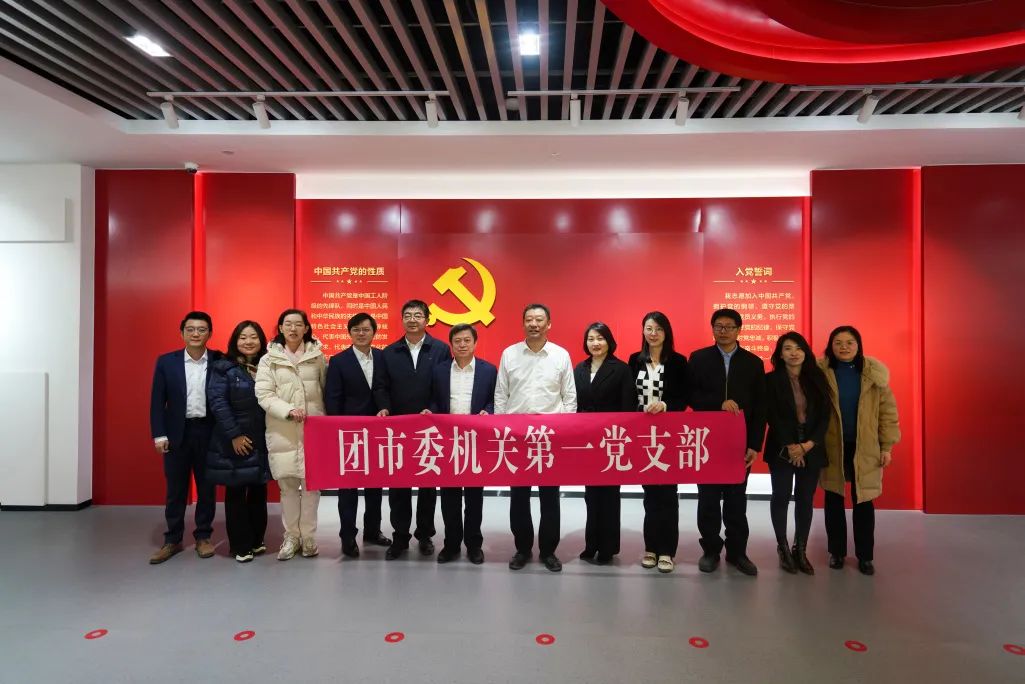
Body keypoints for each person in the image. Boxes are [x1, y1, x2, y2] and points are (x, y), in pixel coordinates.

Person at [495, 303, 577, 572]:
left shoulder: (560, 355)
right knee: (518, 497)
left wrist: (563, 431)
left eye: (539, 319)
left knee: (550, 497)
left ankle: (549, 551)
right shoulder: (509, 354)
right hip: (517, 437)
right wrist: (502, 430)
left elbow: (569, 397)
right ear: (523, 324)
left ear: (549, 324)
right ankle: (522, 549)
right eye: (529, 319)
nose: (534, 324)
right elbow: (501, 395)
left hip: (549, 437)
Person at [689, 308, 767, 576]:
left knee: (736, 500)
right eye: (718, 326)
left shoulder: (753, 363)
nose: (723, 331)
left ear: (738, 330)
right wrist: (717, 403)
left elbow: (760, 408)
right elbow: (691, 396)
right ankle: (711, 550)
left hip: (739, 443)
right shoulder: (698, 358)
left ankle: (737, 552)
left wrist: (754, 445)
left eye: (729, 327)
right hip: (706, 442)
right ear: (712, 328)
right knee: (708, 500)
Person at [373, 299, 452, 560]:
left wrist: (432, 409)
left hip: (430, 427)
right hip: (398, 427)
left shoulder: (440, 349)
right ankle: (400, 537)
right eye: (407, 315)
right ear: (402, 319)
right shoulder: (389, 352)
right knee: (399, 485)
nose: (412, 319)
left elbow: (444, 385)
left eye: (418, 315)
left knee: (428, 485)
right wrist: (384, 408)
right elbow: (380, 386)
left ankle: (425, 535)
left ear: (427, 320)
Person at [819, 326, 900, 576]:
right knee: (833, 498)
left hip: (865, 446)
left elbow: (888, 413)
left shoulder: (873, 375)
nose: (844, 347)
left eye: (850, 342)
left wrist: (886, 446)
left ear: (858, 345)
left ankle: (865, 556)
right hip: (832, 445)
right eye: (838, 342)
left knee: (863, 500)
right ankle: (837, 552)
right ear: (831, 346)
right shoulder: (821, 373)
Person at [148, 311, 221, 564]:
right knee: (176, 489)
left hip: (209, 433)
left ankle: (203, 536)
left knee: (207, 488)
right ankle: (172, 539)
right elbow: (157, 402)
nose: (196, 334)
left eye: (201, 329)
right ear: (182, 333)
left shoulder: (220, 360)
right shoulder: (166, 362)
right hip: (177, 434)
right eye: (190, 329)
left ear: (210, 333)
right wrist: (159, 435)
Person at [255, 309, 327, 561]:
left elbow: (326, 391)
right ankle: (291, 537)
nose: (293, 329)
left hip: (313, 430)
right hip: (282, 429)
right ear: (280, 328)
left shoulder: (317, 356)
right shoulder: (269, 359)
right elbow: (264, 394)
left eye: (298, 324)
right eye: (288, 324)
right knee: (287, 487)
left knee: (311, 487)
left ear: (306, 328)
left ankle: (308, 537)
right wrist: (287, 411)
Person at [426, 323, 497, 565]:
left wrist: (489, 411)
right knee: (449, 497)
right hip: (448, 440)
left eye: (467, 340)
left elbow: (494, 399)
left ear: (475, 343)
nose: (462, 345)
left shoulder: (489, 370)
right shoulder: (439, 370)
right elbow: (435, 401)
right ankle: (451, 545)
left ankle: (474, 545)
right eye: (457, 341)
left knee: (475, 497)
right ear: (451, 345)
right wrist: (431, 411)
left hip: (476, 440)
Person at [324, 313, 392, 558]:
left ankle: (372, 530)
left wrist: (385, 407)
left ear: (374, 332)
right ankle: (348, 536)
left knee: (375, 485)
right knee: (348, 488)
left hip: (378, 432)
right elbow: (332, 399)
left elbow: (386, 388)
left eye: (366, 329)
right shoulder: (338, 361)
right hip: (349, 434)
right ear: (349, 333)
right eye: (356, 330)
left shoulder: (383, 357)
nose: (361, 333)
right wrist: (337, 430)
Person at [627, 311, 690, 573]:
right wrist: (638, 412)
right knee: (650, 495)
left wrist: (665, 405)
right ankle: (650, 548)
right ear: (643, 331)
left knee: (668, 494)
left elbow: (684, 396)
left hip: (668, 434)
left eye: (659, 329)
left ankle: (667, 550)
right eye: (649, 328)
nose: (653, 334)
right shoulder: (635, 360)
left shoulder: (678, 361)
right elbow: (629, 395)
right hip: (643, 435)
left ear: (667, 333)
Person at [764, 332, 831, 575]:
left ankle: (800, 548)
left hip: (811, 446)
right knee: (781, 495)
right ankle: (783, 547)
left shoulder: (817, 378)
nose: (794, 353)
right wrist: (792, 445)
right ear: (780, 354)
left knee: (805, 498)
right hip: (782, 447)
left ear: (806, 352)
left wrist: (808, 444)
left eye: (798, 348)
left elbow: (825, 415)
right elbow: (771, 415)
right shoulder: (771, 380)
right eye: (788, 348)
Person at [206, 321, 272, 563]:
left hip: (262, 437)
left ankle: (256, 540)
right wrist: (234, 434)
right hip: (235, 439)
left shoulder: (268, 365)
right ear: (235, 341)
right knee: (236, 491)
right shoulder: (223, 367)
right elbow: (218, 403)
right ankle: (240, 545)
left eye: (253, 337)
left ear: (261, 340)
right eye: (243, 337)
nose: (248, 341)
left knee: (258, 490)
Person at [574, 322, 635, 566]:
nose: (595, 343)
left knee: (609, 495)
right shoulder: (580, 368)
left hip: (611, 440)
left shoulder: (621, 369)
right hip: (587, 441)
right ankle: (591, 544)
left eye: (600, 338)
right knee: (591, 495)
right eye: (591, 339)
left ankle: (608, 547)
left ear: (609, 341)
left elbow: (628, 407)